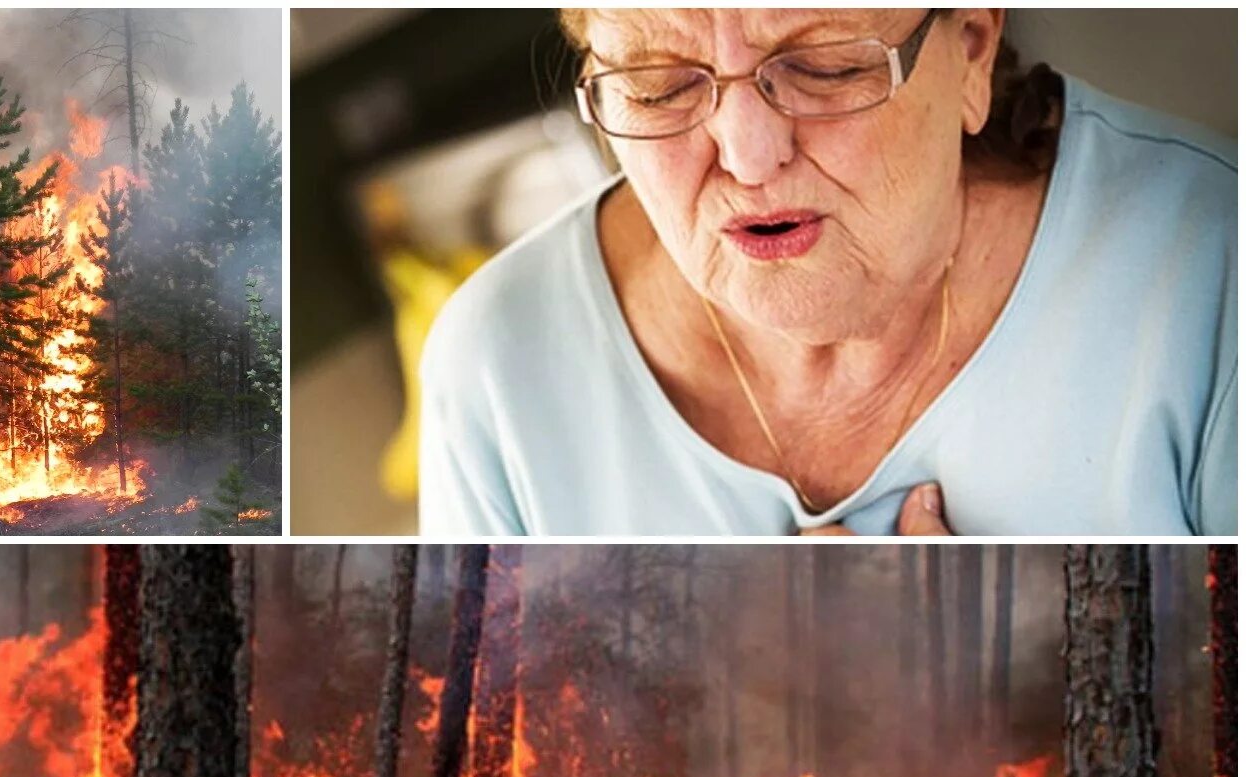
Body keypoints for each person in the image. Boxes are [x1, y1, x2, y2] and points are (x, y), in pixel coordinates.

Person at [419, 9, 1236, 536]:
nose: (747, 157)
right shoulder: (501, 367)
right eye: (657, 87)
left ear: (972, 48)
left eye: (826, 68)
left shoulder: (1208, 259)